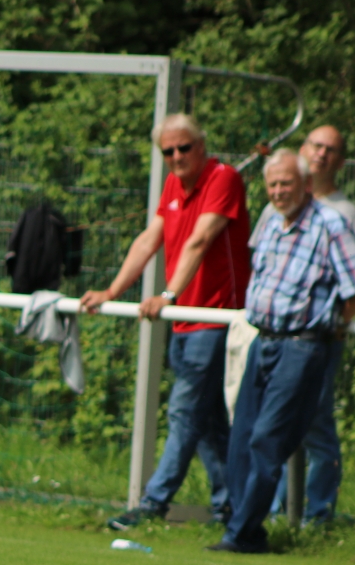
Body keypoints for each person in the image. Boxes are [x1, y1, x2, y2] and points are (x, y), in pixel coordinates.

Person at [83, 113, 249, 529]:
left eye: (183, 148)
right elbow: (148, 240)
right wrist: (111, 291)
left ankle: (153, 504)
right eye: (168, 151)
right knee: (207, 422)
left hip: (213, 318)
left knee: (184, 412)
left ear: (201, 146)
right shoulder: (174, 184)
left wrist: (167, 295)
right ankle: (234, 507)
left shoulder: (223, 178)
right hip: (183, 320)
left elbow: (200, 240)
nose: (176, 157)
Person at [210, 150, 355, 555]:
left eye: (286, 183)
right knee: (241, 437)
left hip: (302, 345)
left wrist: (333, 322)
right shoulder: (271, 221)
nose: (279, 191)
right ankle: (245, 527)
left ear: (305, 184)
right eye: (272, 184)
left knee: (267, 438)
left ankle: (243, 532)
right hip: (262, 339)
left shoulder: (330, 224)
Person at [265, 125, 355, 523]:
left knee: (316, 425)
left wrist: (336, 321)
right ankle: (273, 511)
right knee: (273, 424)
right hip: (276, 337)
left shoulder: (344, 215)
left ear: (341, 161)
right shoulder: (278, 205)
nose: (322, 154)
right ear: (303, 149)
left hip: (317, 340)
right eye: (316, 145)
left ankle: (317, 516)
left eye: (331, 149)